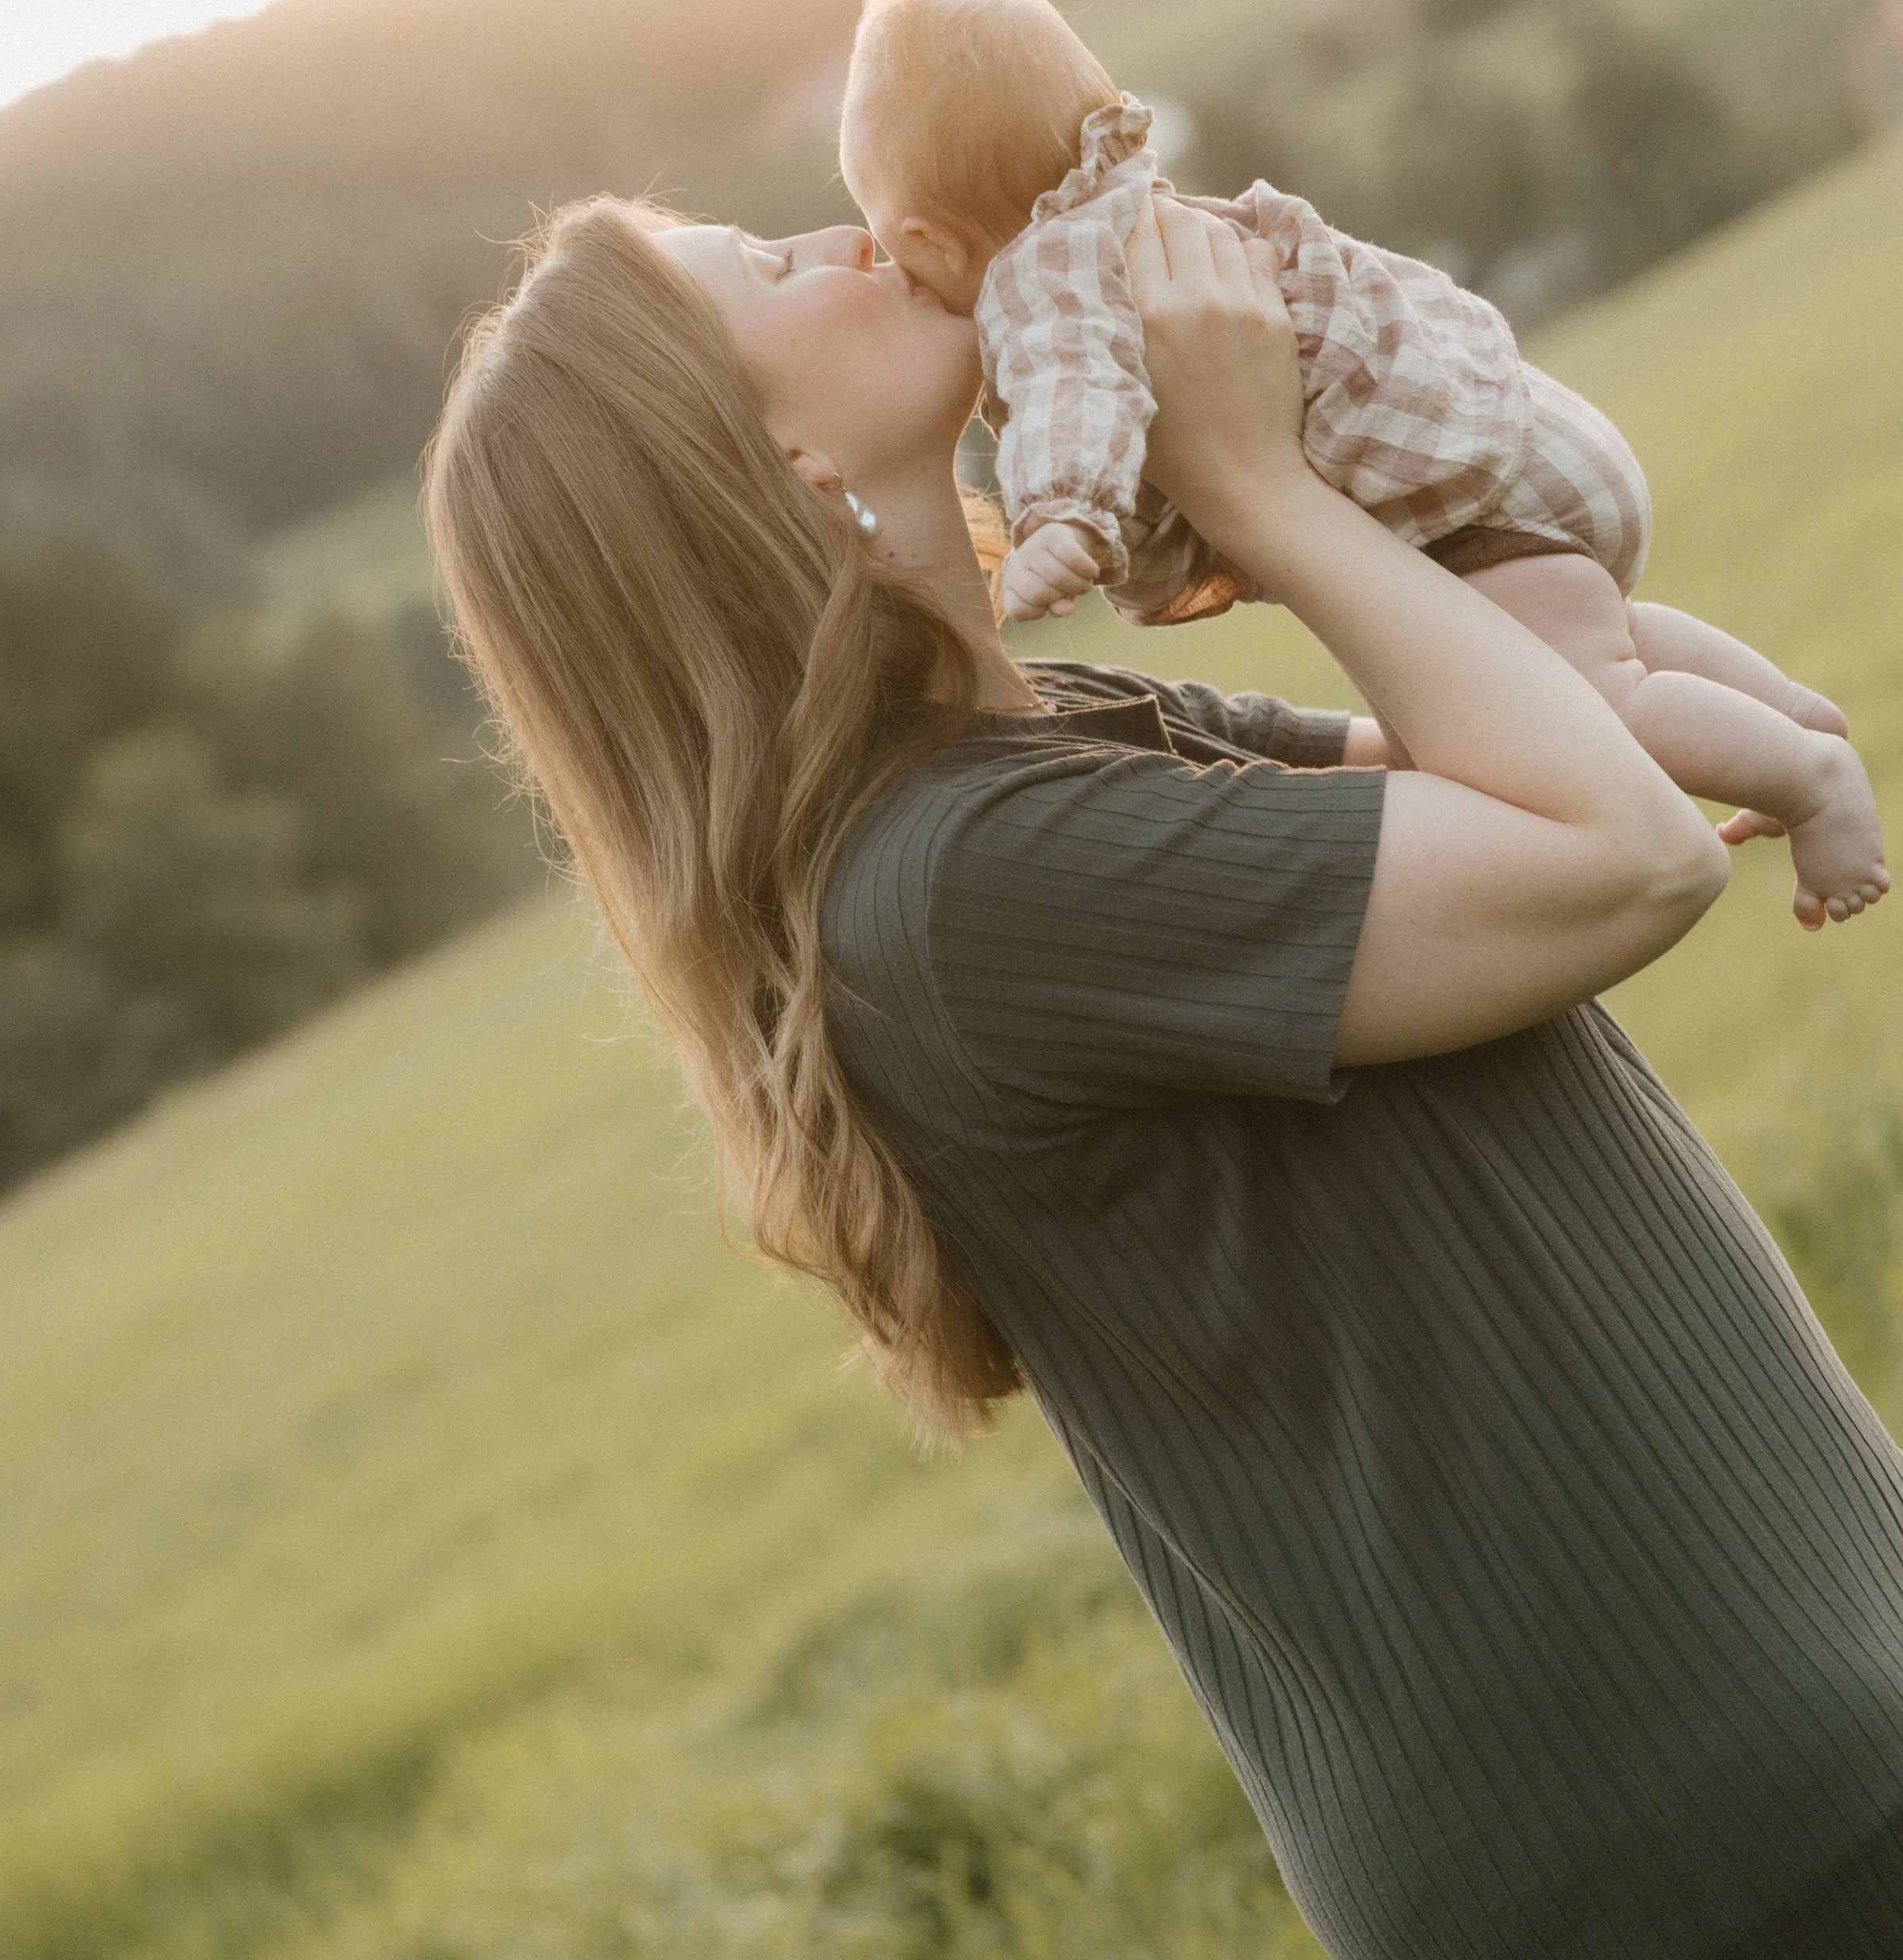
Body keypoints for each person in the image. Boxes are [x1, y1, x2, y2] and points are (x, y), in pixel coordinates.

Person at [424, 187, 1903, 1959]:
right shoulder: (959, 891)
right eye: (764, 268)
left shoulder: (1060, 736)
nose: (836, 233)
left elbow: (1558, 722)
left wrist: (1321, 372)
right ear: (777, 462)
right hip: (1687, 1838)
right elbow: (1624, 854)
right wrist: (1256, 492)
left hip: (1776, 1727)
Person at [839, 0, 1890, 932]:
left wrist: (1062, 518)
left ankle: (1808, 774)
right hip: (1523, 443)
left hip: (1463, 511)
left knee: (1591, 701)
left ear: (930, 241)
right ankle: (1792, 713)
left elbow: (1082, 394)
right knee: (1607, 639)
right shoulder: (1139, 196)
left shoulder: (1044, 279)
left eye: (885, 240)